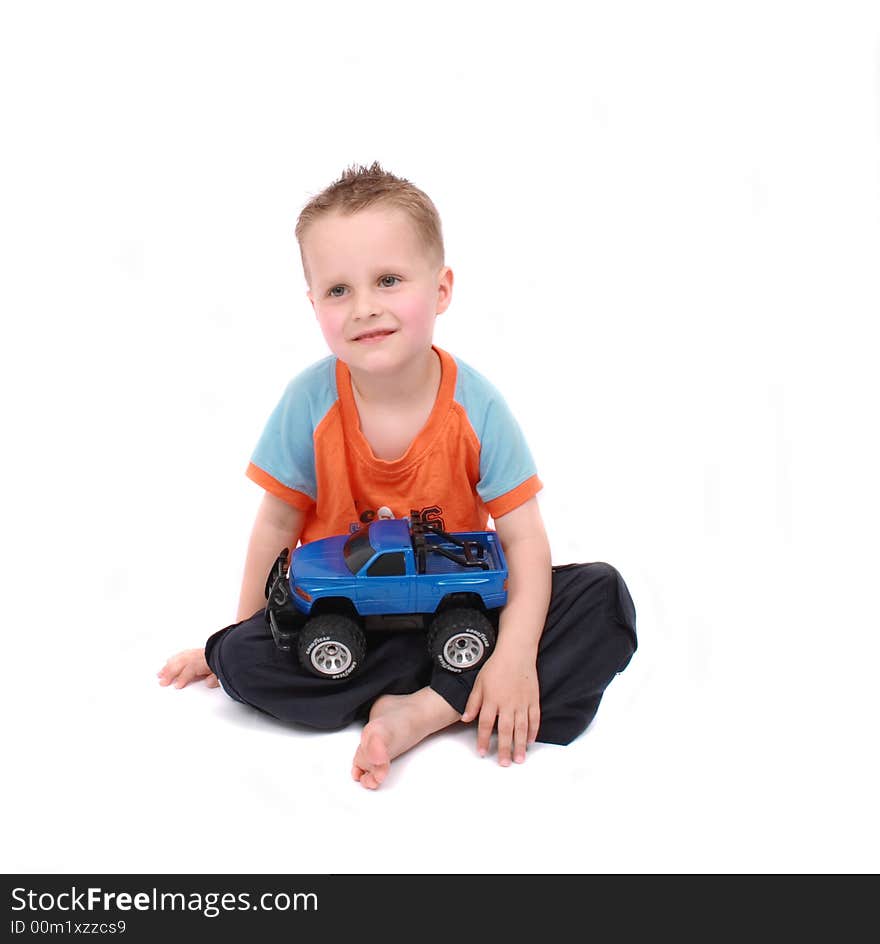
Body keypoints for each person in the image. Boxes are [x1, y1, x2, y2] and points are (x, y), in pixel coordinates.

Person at [158, 162, 637, 790]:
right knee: (245, 662)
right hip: (351, 624)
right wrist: (236, 636)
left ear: (440, 290)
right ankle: (452, 689)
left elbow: (523, 540)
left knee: (603, 598)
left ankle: (423, 710)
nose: (364, 308)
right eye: (337, 290)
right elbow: (276, 525)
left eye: (388, 280)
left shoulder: (479, 407)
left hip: (462, 613)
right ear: (313, 305)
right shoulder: (308, 402)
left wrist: (516, 652)